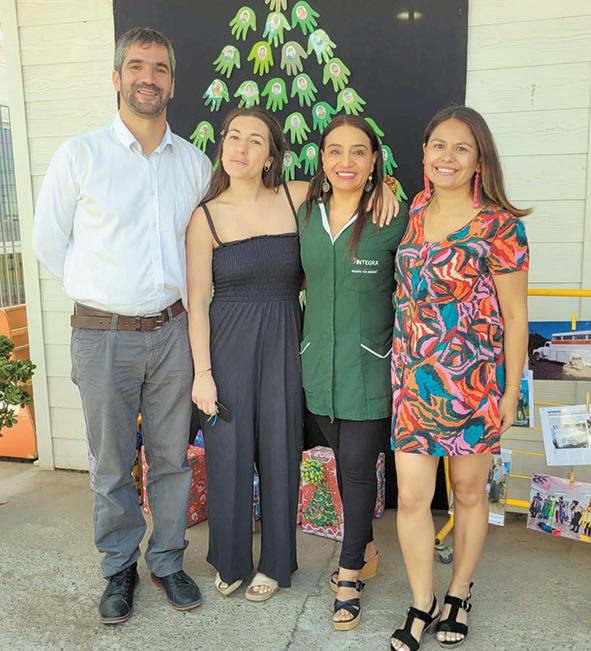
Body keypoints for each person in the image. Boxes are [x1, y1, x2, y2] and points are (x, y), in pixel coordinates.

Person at [32, 27, 211, 624]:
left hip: (173, 333)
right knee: (111, 464)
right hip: (102, 336)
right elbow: (49, 242)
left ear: (172, 83)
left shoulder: (194, 163)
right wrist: (103, 293)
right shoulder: (80, 155)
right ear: (116, 77)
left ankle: (167, 561)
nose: (147, 78)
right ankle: (118, 568)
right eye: (136, 66)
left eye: (159, 68)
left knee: (171, 459)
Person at [186, 107, 399, 602]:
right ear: (223, 146)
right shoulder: (205, 216)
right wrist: (202, 372)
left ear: (271, 156)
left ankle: (276, 563)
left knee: (280, 453)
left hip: (285, 340)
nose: (241, 148)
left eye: (255, 141)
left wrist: (381, 188)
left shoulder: (297, 196)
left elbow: (349, 188)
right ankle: (231, 559)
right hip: (226, 345)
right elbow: (197, 300)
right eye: (234, 137)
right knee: (228, 454)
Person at [389, 105, 529, 650]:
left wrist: (511, 392)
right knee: (411, 498)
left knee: (469, 494)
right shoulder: (413, 211)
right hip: (414, 382)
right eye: (438, 146)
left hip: (475, 384)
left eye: (461, 148)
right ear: (424, 153)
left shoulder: (500, 226)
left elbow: (515, 316)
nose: (447, 157)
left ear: (479, 160)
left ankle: (459, 592)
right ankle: (422, 600)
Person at [298, 114, 409, 630]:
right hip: (318, 367)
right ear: (322, 158)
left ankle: (348, 576)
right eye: (335, 150)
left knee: (359, 469)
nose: (346, 161)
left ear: (373, 161)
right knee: (344, 467)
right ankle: (365, 549)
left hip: (368, 369)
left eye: (359, 151)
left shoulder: (394, 218)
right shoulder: (304, 212)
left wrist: (387, 188)